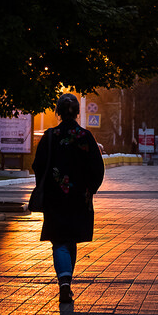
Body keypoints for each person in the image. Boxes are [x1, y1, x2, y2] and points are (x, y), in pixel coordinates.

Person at [31, 93, 106, 304]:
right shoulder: (85, 136)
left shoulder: (50, 136)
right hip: (79, 197)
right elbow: (97, 167)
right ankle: (66, 282)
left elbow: (38, 165)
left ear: (58, 112)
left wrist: (46, 185)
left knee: (59, 240)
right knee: (71, 238)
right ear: (78, 112)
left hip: (55, 197)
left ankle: (64, 281)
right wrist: (90, 188)